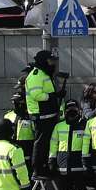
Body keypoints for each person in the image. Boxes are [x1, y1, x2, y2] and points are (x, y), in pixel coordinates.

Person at [47, 101, 91, 190]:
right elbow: (53, 144)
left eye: (74, 109)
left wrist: (87, 162)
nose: (71, 112)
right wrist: (52, 160)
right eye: (69, 109)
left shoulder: (84, 125)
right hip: (63, 165)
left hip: (78, 165)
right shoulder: (59, 126)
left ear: (79, 110)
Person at [23, 50, 62, 179]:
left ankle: (45, 166)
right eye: (50, 61)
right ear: (43, 61)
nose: (52, 64)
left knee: (46, 143)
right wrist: (53, 96)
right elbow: (37, 95)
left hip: (48, 114)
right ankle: (38, 168)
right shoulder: (35, 75)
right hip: (41, 115)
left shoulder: (44, 73)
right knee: (41, 143)